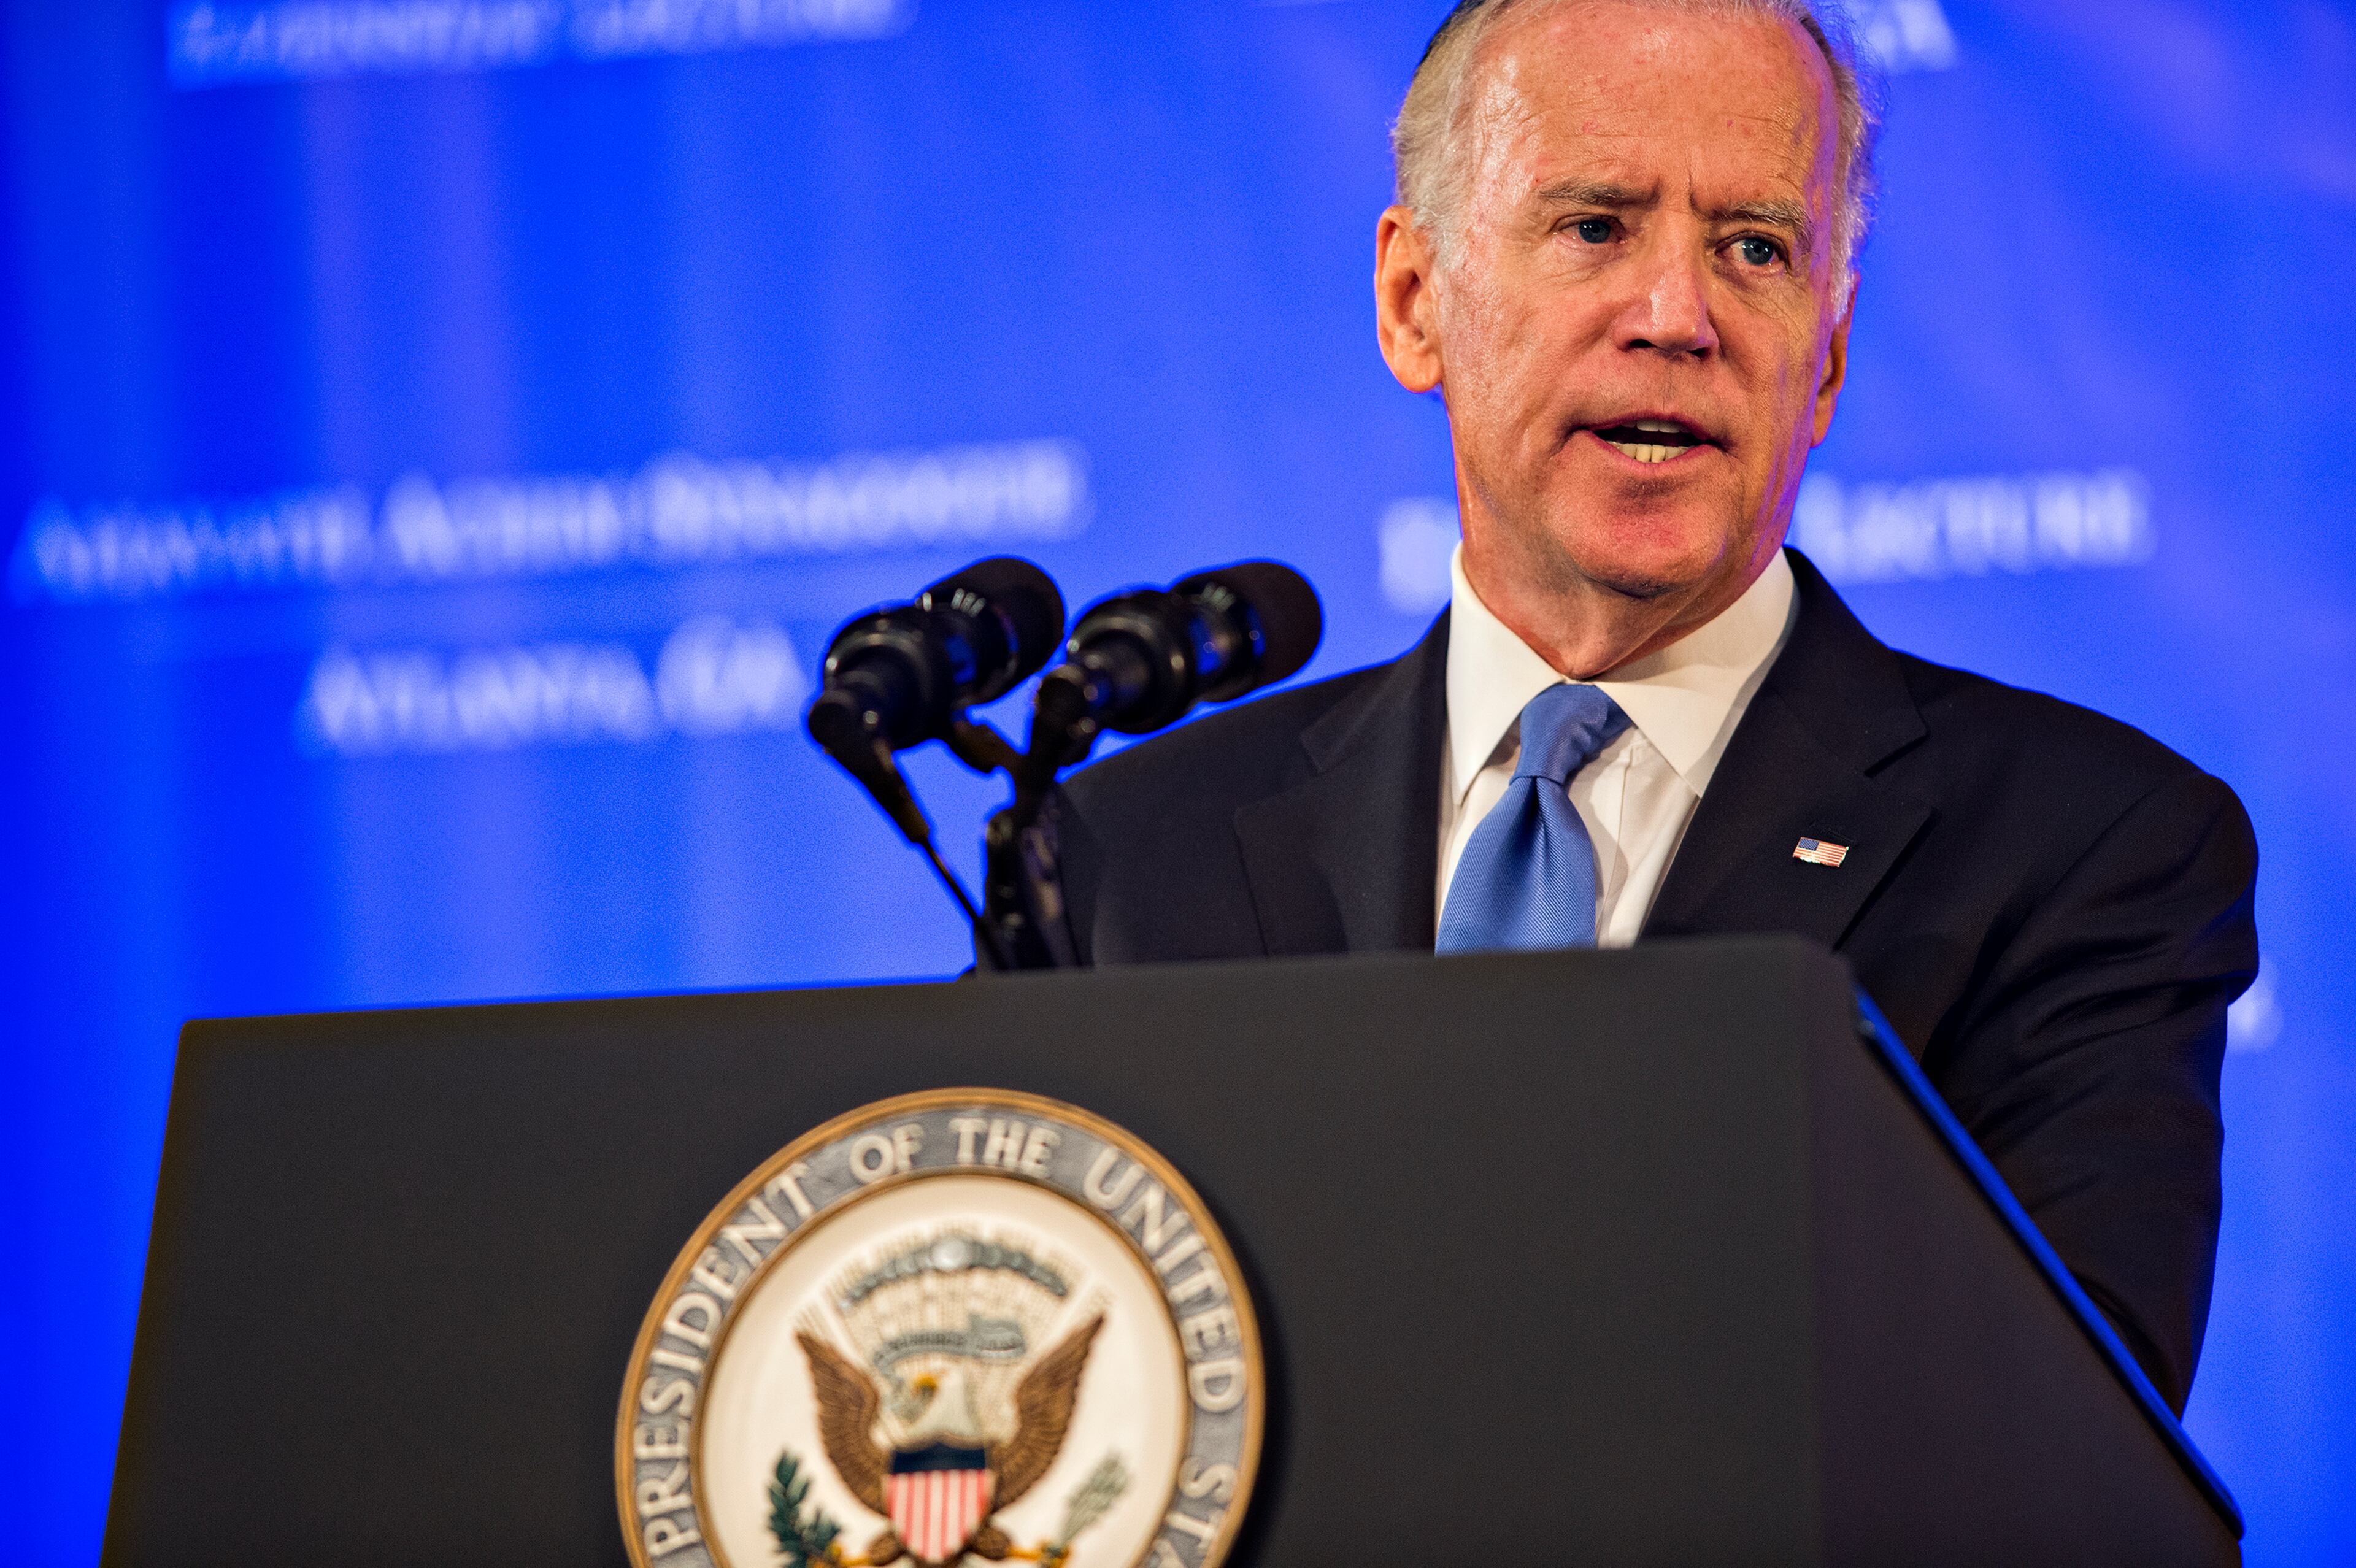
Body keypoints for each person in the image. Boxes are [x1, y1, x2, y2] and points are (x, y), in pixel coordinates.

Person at [1039, 0, 2258, 1417]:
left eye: (1753, 248)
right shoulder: (1132, 855)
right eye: (1595, 226)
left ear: (1831, 354)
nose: (1678, 318)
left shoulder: (2090, 848)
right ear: (1413, 302)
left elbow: (2062, 1445)